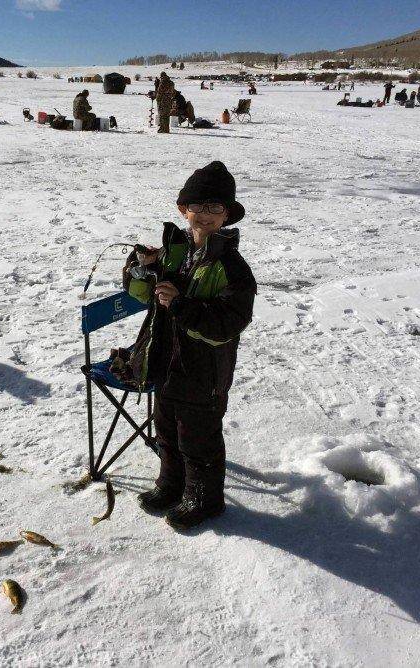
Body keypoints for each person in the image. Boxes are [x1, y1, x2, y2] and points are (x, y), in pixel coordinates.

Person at [123, 161, 256, 531]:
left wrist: (182, 304)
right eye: (199, 206)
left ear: (227, 214)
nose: (207, 215)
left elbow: (229, 322)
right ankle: (172, 484)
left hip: (204, 371)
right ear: (184, 209)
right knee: (165, 428)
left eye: (217, 208)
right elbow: (138, 295)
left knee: (198, 438)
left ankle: (205, 499)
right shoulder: (174, 252)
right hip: (166, 361)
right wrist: (142, 268)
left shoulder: (231, 265)